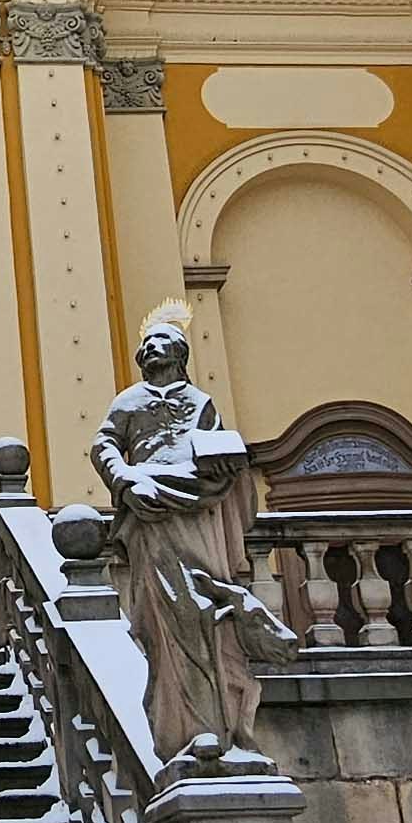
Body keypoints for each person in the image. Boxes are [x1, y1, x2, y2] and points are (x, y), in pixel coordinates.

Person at [89, 305, 296, 762]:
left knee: (210, 611)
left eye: (159, 343)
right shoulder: (128, 402)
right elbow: (103, 445)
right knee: (172, 616)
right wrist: (124, 478)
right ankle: (187, 726)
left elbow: (220, 457)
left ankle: (223, 724)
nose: (149, 350)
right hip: (150, 510)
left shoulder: (202, 403)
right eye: (146, 346)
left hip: (197, 510)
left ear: (179, 353)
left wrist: (224, 468)